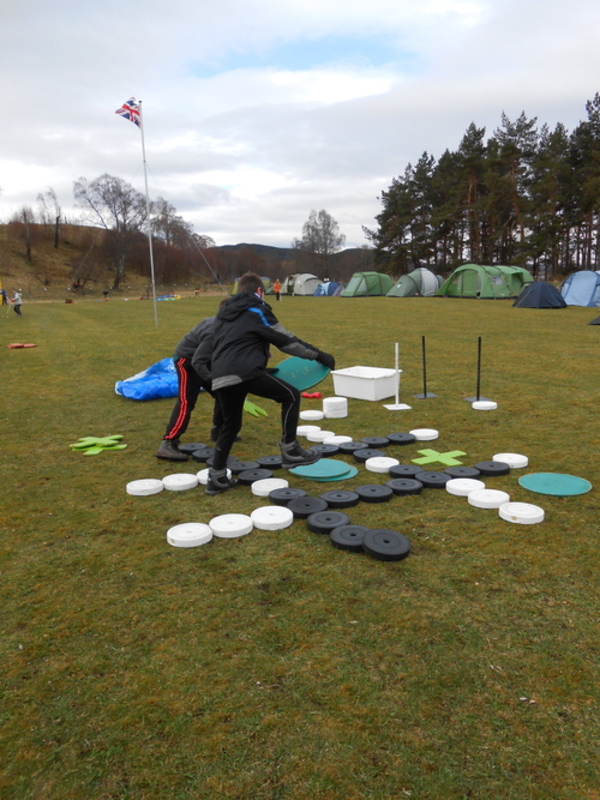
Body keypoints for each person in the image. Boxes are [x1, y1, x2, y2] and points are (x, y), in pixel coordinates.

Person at [193, 272, 335, 495]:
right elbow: (286, 341)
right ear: (259, 291)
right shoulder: (256, 310)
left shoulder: (223, 315)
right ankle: (291, 450)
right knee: (291, 396)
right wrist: (319, 355)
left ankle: (216, 477)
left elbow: (230, 345)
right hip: (244, 371)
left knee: (230, 426)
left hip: (220, 375)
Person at [155, 303, 230, 461]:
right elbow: (197, 361)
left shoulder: (225, 325)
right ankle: (168, 443)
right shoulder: (214, 330)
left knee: (222, 392)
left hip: (203, 360)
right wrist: (210, 379)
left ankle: (218, 430)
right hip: (187, 361)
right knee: (186, 401)